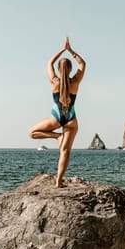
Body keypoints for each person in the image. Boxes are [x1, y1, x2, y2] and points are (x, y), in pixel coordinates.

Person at [29, 37, 86, 187]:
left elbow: (49, 63)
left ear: (59, 69)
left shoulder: (54, 81)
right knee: (65, 151)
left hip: (56, 117)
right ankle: (58, 182)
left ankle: (56, 137)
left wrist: (62, 49)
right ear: (70, 69)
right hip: (71, 119)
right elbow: (82, 64)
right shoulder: (75, 82)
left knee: (32, 133)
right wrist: (71, 50)